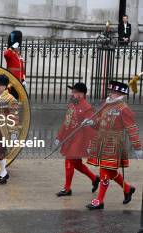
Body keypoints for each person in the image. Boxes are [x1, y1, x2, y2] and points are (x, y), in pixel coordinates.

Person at [85, 80, 143, 210]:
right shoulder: (106, 105)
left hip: (114, 143)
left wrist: (137, 147)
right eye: (111, 91)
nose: (111, 94)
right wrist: (91, 123)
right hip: (102, 141)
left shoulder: (124, 109)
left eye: (114, 92)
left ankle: (99, 201)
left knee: (105, 171)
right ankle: (128, 188)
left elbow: (132, 128)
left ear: (121, 94)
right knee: (110, 171)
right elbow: (99, 123)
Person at [54, 82, 100, 197]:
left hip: (79, 139)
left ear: (82, 94)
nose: (73, 94)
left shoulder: (87, 107)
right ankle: (94, 178)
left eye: (75, 92)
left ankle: (67, 188)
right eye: (73, 92)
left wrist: (89, 121)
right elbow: (66, 123)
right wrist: (59, 137)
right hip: (69, 137)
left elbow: (93, 122)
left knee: (69, 160)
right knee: (77, 163)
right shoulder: (71, 105)